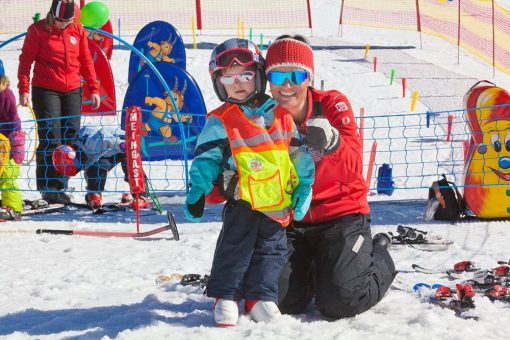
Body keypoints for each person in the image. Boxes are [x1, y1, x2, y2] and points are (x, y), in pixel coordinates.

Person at [183, 38, 315, 326]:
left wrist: (304, 187)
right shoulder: (219, 120)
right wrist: (199, 190)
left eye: (245, 75)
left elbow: (299, 155)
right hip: (242, 198)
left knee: (271, 251)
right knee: (235, 246)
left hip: (277, 203)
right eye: (229, 78)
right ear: (219, 83)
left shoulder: (280, 115)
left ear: (258, 76)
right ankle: (226, 295)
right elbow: (206, 160)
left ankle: (261, 296)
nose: (238, 83)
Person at [264, 35, 396, 319]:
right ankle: (315, 269)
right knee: (279, 301)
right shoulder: (265, 116)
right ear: (268, 80)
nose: (287, 85)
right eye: (278, 75)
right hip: (292, 219)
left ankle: (380, 254)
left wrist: (333, 142)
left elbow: (352, 168)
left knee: (341, 303)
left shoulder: (332, 104)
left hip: (341, 216)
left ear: (308, 78)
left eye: (296, 75)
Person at [17, 0, 100, 204]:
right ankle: (48, 186)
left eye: (70, 20)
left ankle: (61, 184)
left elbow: (86, 59)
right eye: (63, 21)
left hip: (72, 88)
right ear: (53, 17)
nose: (66, 24)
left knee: (71, 137)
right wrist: (24, 89)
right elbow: (25, 61)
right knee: (51, 136)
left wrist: (93, 87)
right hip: (46, 89)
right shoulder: (37, 31)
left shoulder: (77, 29)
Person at [51, 126, 149, 210]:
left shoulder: (90, 142)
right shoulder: (81, 155)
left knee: (131, 167)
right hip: (107, 152)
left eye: (77, 167)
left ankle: (141, 195)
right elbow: (88, 171)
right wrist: (92, 190)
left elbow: (107, 138)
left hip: (123, 142)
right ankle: (95, 195)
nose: (81, 167)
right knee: (95, 169)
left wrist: (121, 144)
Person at [0, 59, 26, 220]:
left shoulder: (6, 95)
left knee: (7, 177)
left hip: (8, 145)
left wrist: (17, 145)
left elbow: (14, 122)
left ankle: (13, 208)